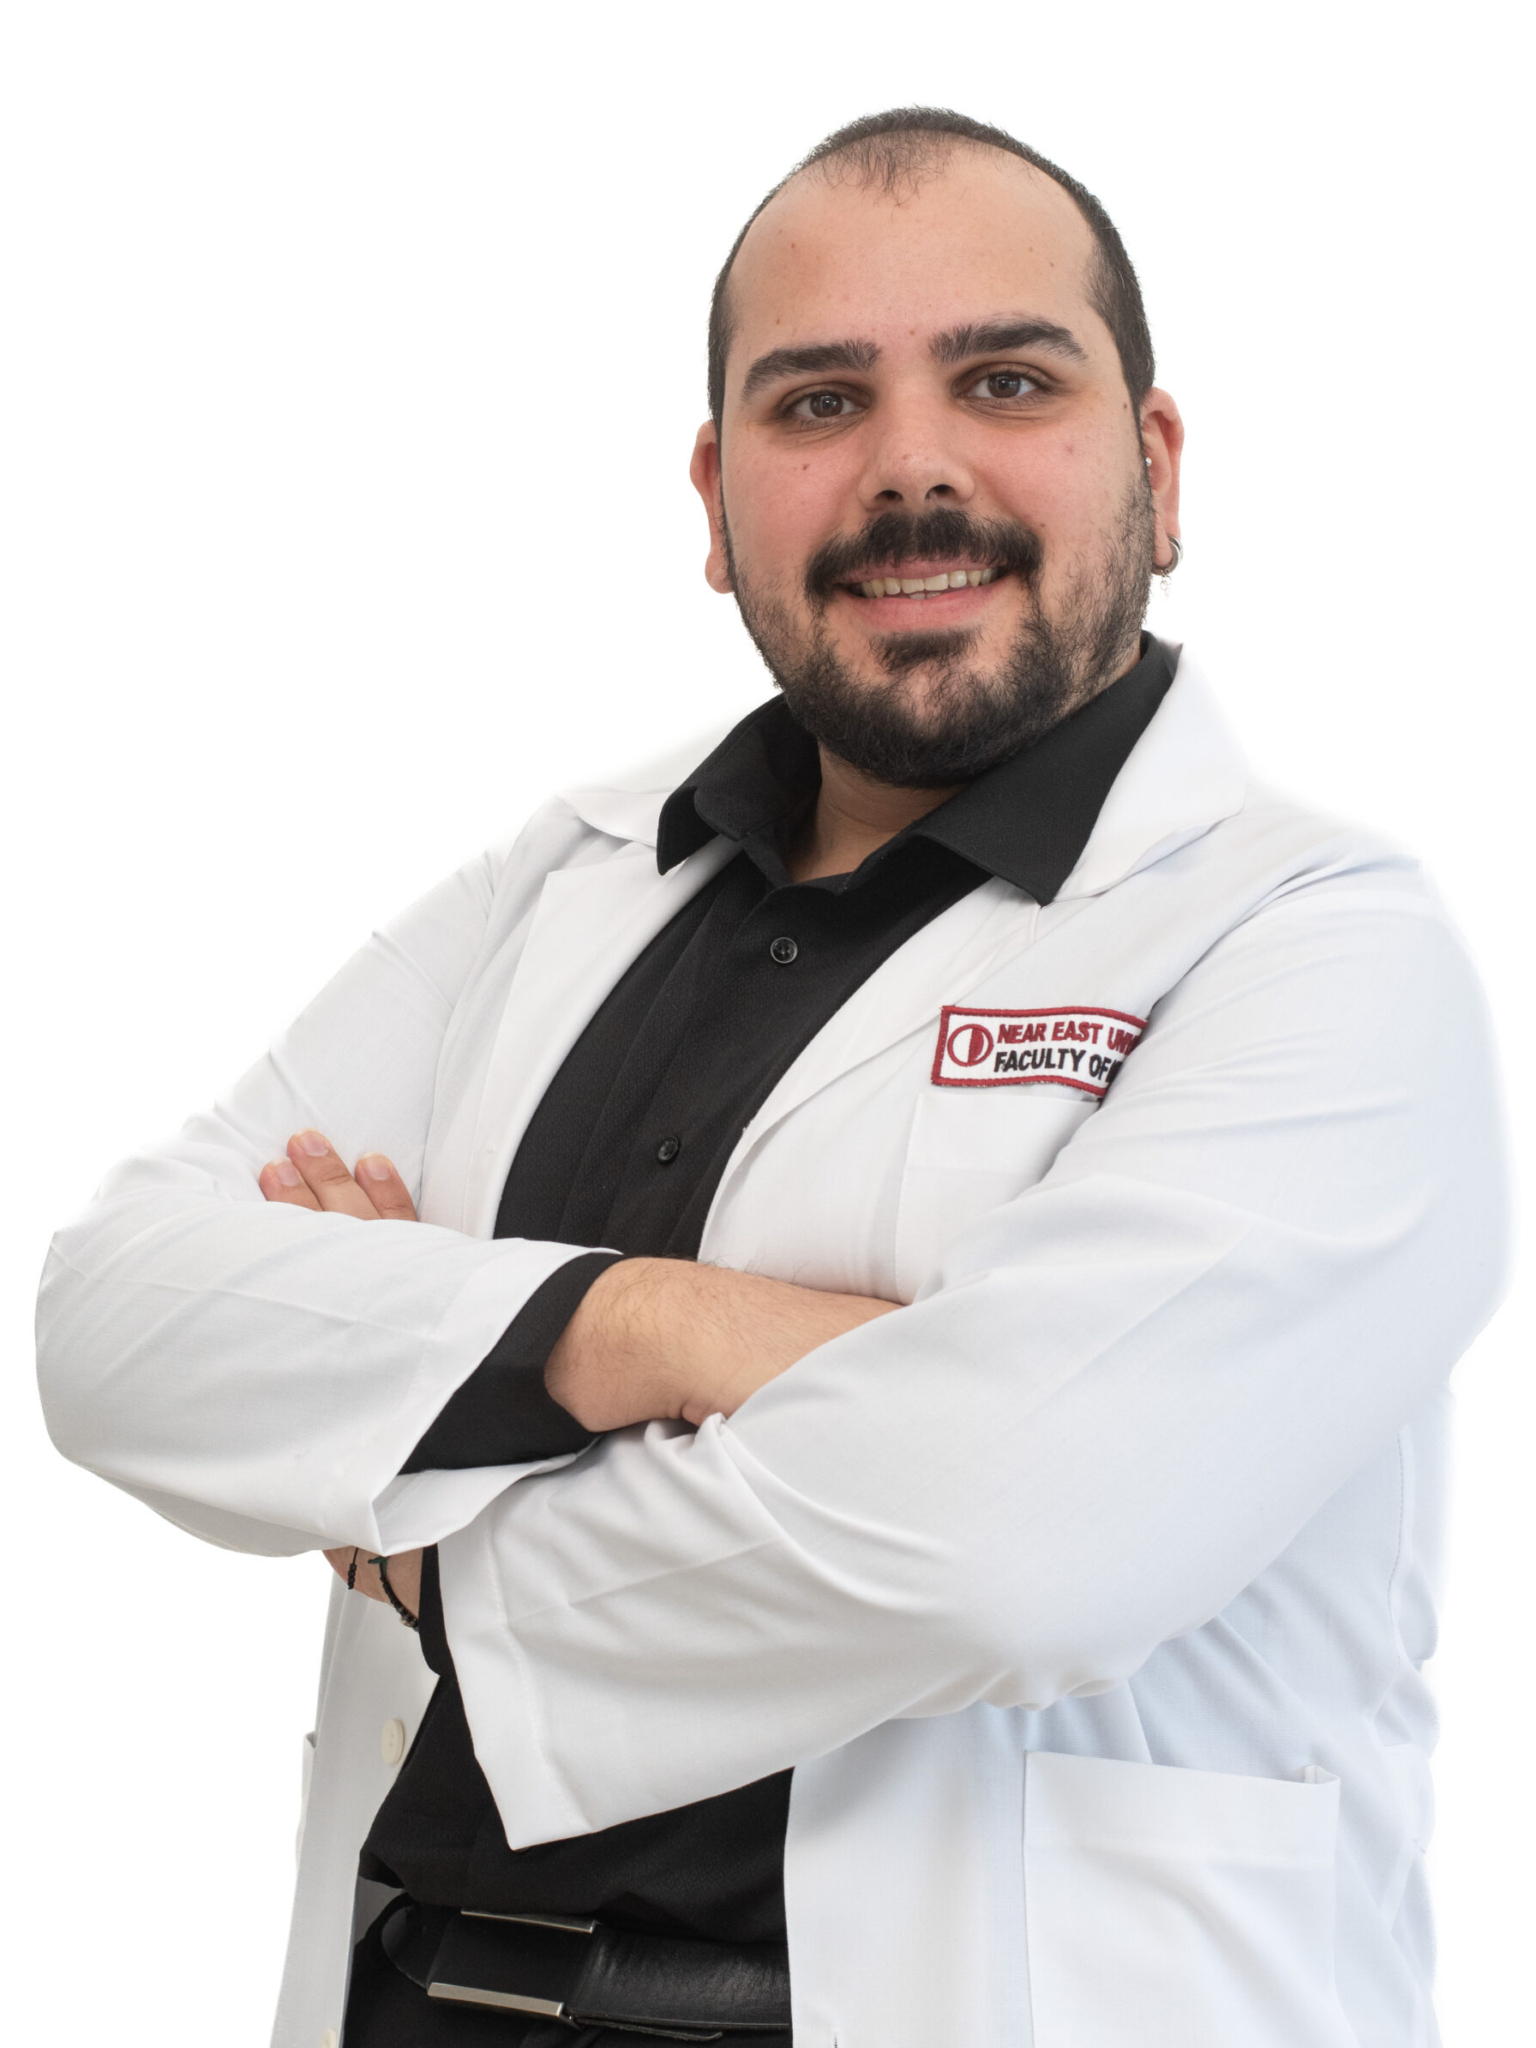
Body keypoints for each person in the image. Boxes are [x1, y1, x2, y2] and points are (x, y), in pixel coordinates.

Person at [37, 106, 1506, 2048]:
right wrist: (659, 1328)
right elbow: (113, 1316)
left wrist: (409, 1475)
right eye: (819, 402)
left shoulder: (1322, 953)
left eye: (1006, 381)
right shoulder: (563, 876)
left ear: (1154, 466)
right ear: (719, 499)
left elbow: (1005, 1539)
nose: (913, 466)